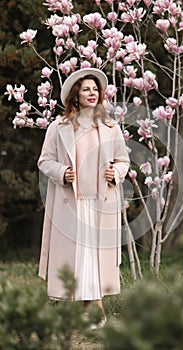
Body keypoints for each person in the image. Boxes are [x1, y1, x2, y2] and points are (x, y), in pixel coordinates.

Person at [37, 68, 130, 328]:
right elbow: (44, 161)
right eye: (86, 89)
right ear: (75, 94)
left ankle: (94, 308)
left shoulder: (111, 127)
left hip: (101, 202)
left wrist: (117, 172)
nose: (92, 93)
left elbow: (124, 160)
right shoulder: (59, 127)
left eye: (95, 89)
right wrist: (62, 173)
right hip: (72, 203)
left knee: (95, 256)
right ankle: (86, 310)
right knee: (79, 257)